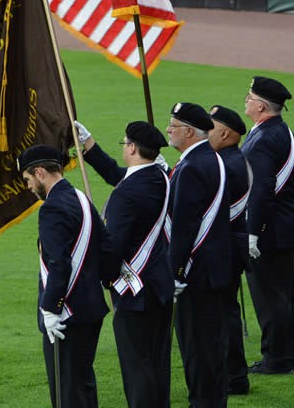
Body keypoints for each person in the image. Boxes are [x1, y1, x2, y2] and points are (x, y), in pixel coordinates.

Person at [74, 120, 174, 408]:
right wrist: (89, 146)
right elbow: (120, 175)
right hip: (160, 286)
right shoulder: (159, 177)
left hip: (135, 294)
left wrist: (105, 277)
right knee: (157, 363)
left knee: (137, 368)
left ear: (131, 148)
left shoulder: (126, 195)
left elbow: (113, 248)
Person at [17, 144, 117, 408]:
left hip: (67, 317)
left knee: (67, 392)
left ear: (40, 172)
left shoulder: (51, 209)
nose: (28, 187)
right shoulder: (81, 197)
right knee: (83, 384)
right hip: (91, 308)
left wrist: (50, 308)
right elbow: (106, 247)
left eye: (27, 179)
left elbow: (59, 264)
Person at [165, 102, 231, 408]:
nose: (168, 130)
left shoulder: (191, 167)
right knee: (212, 344)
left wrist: (175, 272)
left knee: (197, 348)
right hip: (215, 269)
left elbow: (184, 227)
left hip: (196, 275)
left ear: (189, 132)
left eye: (173, 125)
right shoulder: (212, 158)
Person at [242, 76, 294, 375]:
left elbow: (261, 188)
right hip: (285, 226)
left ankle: (276, 358)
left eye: (250, 96)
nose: (246, 100)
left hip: (268, 230)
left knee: (270, 297)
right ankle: (289, 353)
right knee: (287, 295)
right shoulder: (281, 132)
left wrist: (251, 232)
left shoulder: (264, 139)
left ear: (261, 106)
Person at [207, 105, 252, 396]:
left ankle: (234, 376)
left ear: (225, 133)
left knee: (223, 313)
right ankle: (233, 374)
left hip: (224, 247)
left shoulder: (228, 164)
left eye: (209, 127)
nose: (204, 131)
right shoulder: (229, 159)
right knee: (224, 311)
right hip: (230, 245)